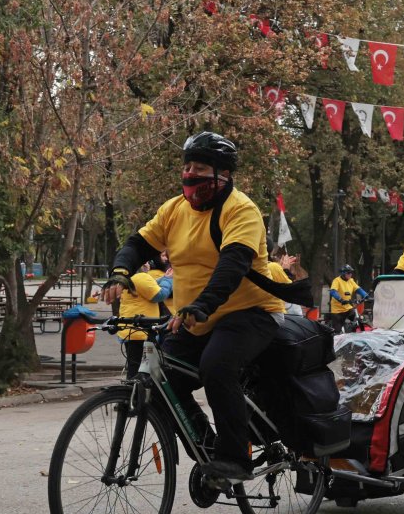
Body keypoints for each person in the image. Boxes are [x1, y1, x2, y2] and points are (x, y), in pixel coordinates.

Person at [102, 131, 286, 482]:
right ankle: (208, 450)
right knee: (163, 383)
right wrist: (120, 273)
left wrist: (200, 305)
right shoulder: (174, 210)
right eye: (186, 166)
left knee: (217, 365)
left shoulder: (241, 210)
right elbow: (138, 243)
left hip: (250, 312)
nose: (190, 174)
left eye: (199, 167)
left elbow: (232, 267)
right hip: (195, 317)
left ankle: (235, 460)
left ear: (223, 175)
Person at [116, 255, 173, 379]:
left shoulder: (134, 278)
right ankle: (136, 395)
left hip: (132, 330)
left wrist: (165, 278)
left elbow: (152, 285)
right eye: (144, 261)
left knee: (135, 366)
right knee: (140, 369)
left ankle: (133, 393)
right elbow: (159, 295)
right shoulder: (141, 277)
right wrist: (168, 279)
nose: (148, 263)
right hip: (140, 331)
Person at [328, 264, 368, 333]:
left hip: (348, 308)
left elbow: (358, 289)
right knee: (337, 331)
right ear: (343, 273)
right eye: (348, 273)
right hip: (337, 310)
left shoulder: (351, 281)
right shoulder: (337, 280)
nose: (350, 274)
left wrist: (366, 295)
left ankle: (356, 332)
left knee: (358, 319)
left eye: (351, 273)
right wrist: (340, 299)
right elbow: (333, 291)